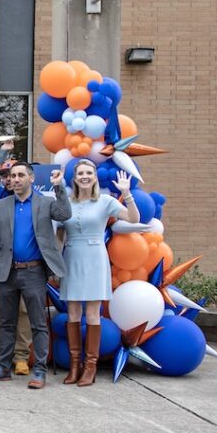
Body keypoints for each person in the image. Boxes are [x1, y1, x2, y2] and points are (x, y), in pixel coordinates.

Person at [0, 163, 70, 389]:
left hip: (34, 271)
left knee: (38, 324)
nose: (15, 179)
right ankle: (4, 367)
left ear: (30, 178)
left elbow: (65, 213)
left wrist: (59, 187)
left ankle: (39, 370)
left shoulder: (45, 202)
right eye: (13, 176)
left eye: (20, 175)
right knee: (7, 323)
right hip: (7, 271)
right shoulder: (2, 205)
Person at [59, 162, 140, 386]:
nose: (85, 177)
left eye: (89, 173)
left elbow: (133, 219)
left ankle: (90, 367)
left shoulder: (105, 201)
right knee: (73, 312)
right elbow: (58, 234)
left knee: (93, 313)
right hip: (72, 257)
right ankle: (75, 365)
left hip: (95, 258)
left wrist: (127, 193)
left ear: (95, 177)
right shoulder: (66, 203)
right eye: (80, 173)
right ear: (74, 179)